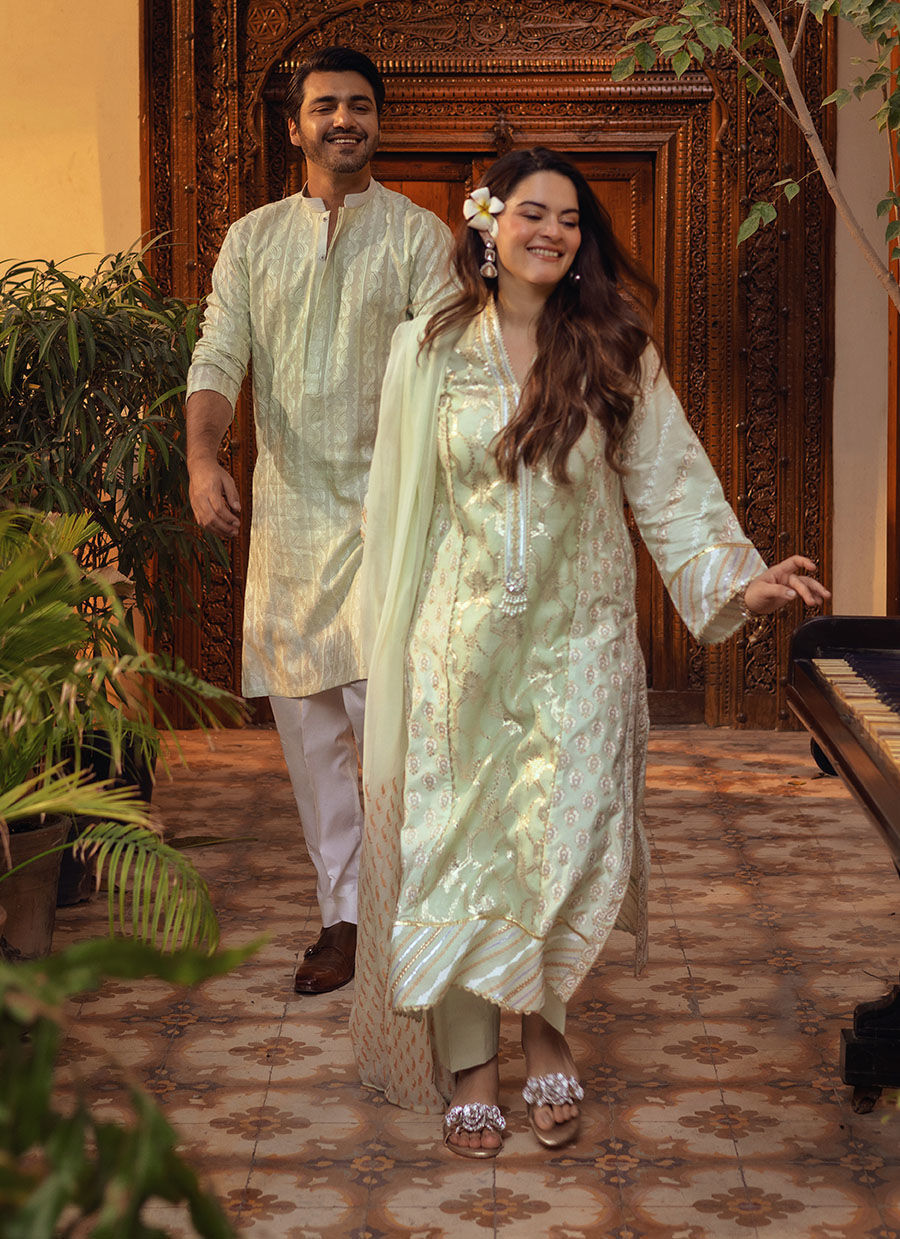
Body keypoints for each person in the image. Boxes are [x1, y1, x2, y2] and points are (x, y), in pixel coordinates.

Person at [350, 147, 829, 1154]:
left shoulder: (616, 350)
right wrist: (386, 642)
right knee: (464, 844)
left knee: (563, 838)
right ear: (489, 224)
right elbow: (396, 508)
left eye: (571, 219)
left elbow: (671, 482)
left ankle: (547, 1031)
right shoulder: (427, 350)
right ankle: (472, 1060)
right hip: (461, 644)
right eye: (533, 212)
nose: (553, 232)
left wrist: (737, 578)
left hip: (582, 640)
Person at [185, 46, 452, 995]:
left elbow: (452, 366)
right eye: (327, 105)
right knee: (312, 746)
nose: (346, 119)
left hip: (393, 523)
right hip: (292, 528)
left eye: (361, 105)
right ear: (295, 126)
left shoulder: (418, 236)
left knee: (394, 743)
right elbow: (219, 353)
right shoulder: (252, 240)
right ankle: (343, 920)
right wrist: (204, 457)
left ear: (379, 122)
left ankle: (405, 917)